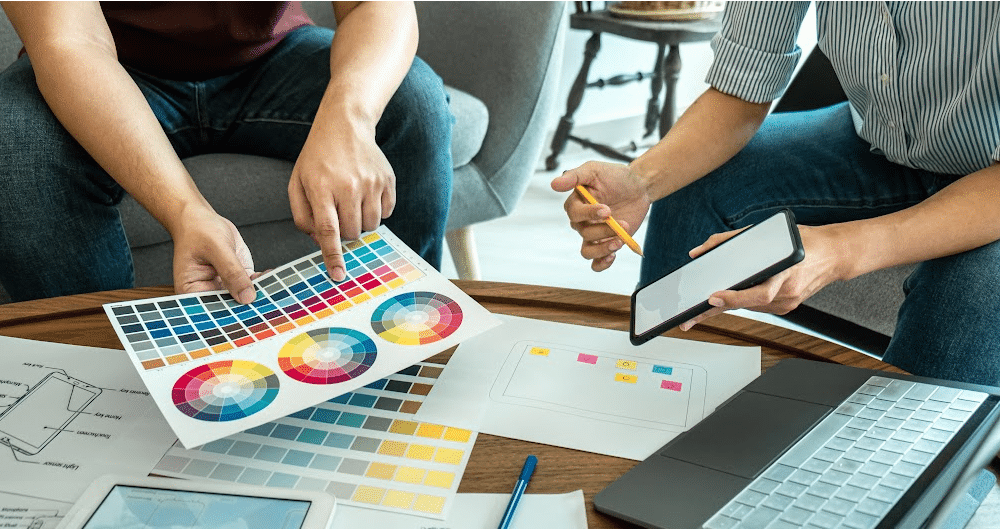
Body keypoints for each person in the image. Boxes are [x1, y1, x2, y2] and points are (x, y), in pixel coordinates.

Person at [552, 1, 1000, 386]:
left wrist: (841, 249)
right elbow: (741, 88)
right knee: (693, 186)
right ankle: (661, 391)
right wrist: (642, 181)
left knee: (965, 298)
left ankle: (906, 476)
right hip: (882, 140)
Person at [0, 1, 452, 304]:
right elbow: (70, 42)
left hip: (272, 53)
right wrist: (185, 212)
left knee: (414, 102)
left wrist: (349, 119)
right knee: (14, 141)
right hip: (107, 67)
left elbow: (373, 5)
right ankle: (99, 379)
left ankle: (408, 334)